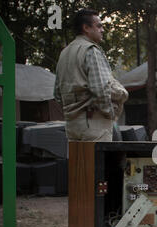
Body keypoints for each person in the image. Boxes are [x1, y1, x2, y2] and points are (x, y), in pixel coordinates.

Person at [54, 9, 128, 142]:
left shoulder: (64, 53)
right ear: (86, 28)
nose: (102, 30)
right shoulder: (91, 51)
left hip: (72, 126)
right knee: (98, 162)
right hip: (94, 124)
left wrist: (73, 113)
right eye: (98, 26)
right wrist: (110, 114)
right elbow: (101, 89)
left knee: (78, 163)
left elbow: (58, 94)